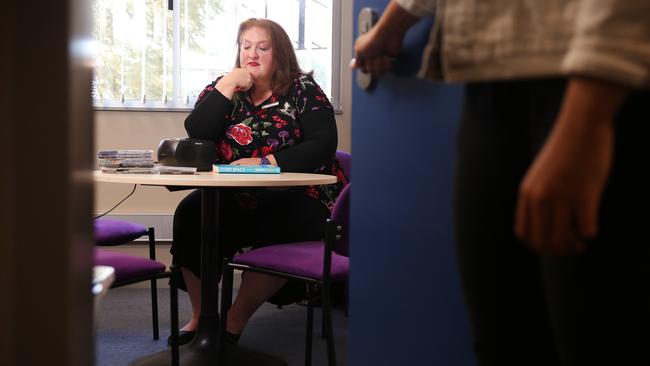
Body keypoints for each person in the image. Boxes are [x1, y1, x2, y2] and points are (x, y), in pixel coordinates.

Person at [353, 1, 650, 365]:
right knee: (501, 338)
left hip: (585, 76)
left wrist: (588, 120)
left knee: (593, 336)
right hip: (486, 78)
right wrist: (391, 25)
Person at [170, 18, 347, 346]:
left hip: (302, 193)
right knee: (191, 214)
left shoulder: (301, 89)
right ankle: (201, 316)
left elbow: (323, 143)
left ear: (279, 53)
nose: (252, 53)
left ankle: (233, 321)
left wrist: (267, 163)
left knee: (281, 219)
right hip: (236, 194)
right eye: (246, 46)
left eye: (262, 47)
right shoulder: (223, 89)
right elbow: (198, 133)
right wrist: (226, 86)